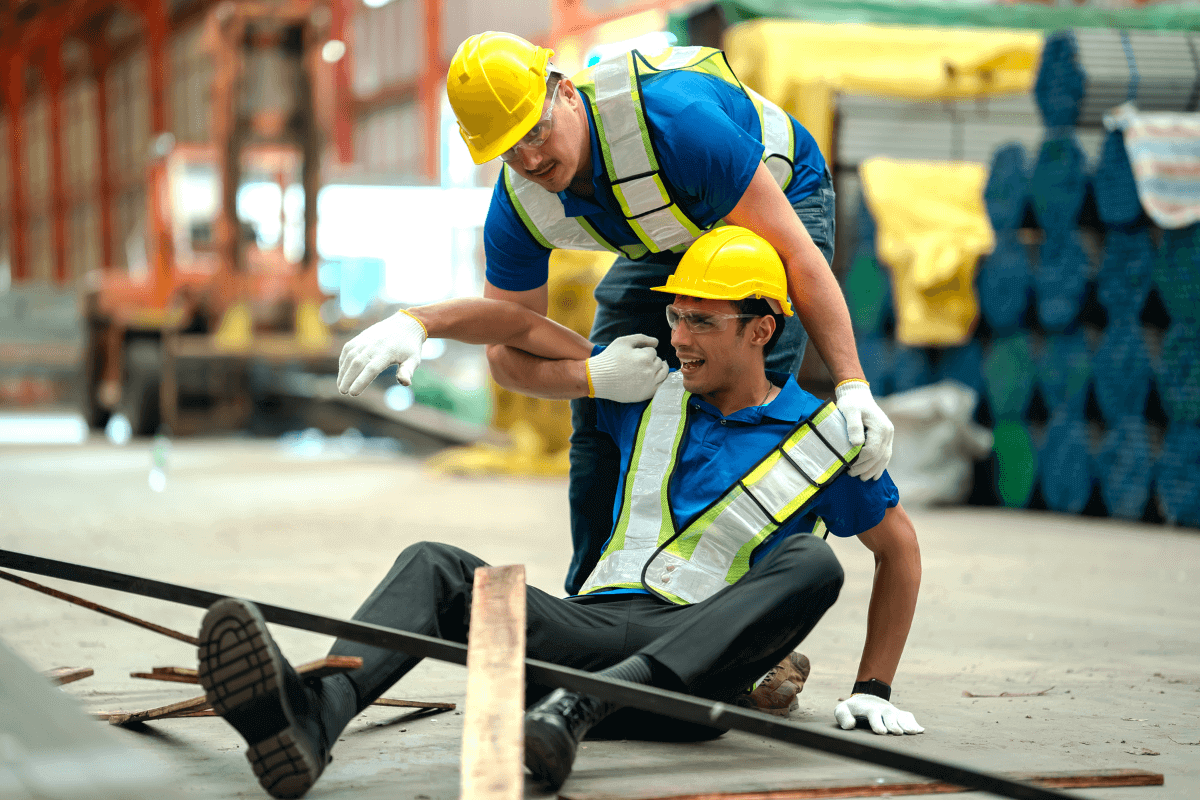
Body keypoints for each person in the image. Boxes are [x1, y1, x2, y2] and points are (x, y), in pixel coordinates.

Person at [204, 228, 922, 800]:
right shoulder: (646, 390)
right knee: (435, 566)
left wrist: (873, 686)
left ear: (761, 330)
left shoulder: (826, 439)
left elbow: (899, 552)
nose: (678, 336)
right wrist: (418, 323)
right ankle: (312, 719)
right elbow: (516, 323)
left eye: (700, 321)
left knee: (813, 561)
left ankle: (580, 710)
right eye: (674, 315)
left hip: (690, 675)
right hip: (591, 631)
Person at [339, 32, 896, 601]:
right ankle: (596, 597)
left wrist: (852, 384)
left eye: (535, 130)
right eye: (509, 148)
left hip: (774, 199)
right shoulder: (518, 205)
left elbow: (798, 257)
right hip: (670, 229)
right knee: (603, 417)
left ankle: (745, 630)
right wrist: (593, 376)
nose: (530, 159)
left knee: (742, 407)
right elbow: (510, 349)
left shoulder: (676, 124)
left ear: (566, 94)